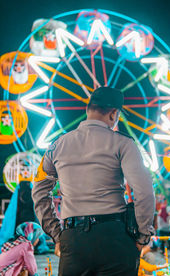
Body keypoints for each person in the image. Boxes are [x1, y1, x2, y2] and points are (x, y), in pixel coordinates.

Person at [32, 86, 155, 276]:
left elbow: (39, 192)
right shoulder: (123, 143)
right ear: (114, 114)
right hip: (115, 236)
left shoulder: (56, 146)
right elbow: (144, 192)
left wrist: (57, 234)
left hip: (73, 239)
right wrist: (143, 236)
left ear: (88, 109)